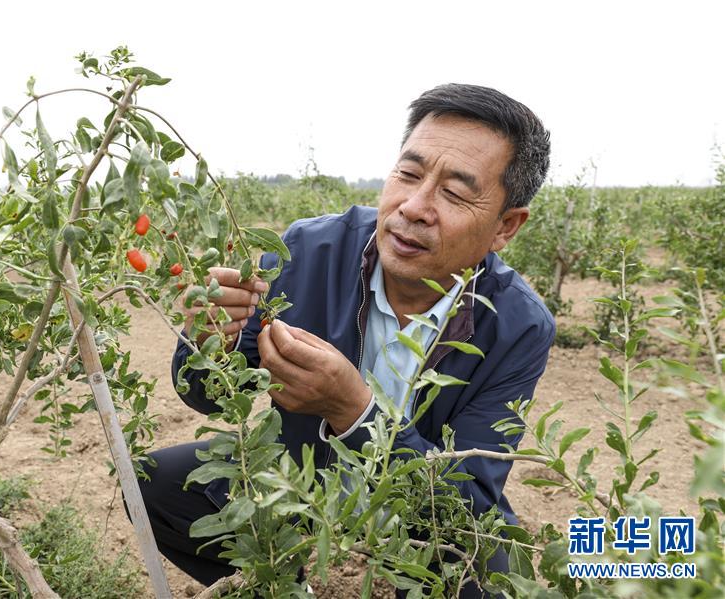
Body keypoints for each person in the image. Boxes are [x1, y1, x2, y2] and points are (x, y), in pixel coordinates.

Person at [134, 83, 555, 597]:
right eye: (409, 174)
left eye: (455, 193)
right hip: (298, 486)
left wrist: (355, 413)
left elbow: (464, 499)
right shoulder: (307, 252)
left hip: (419, 522)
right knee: (150, 482)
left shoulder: (517, 326)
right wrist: (206, 341)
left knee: (482, 574)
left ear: (505, 226)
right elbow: (206, 393)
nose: (414, 207)